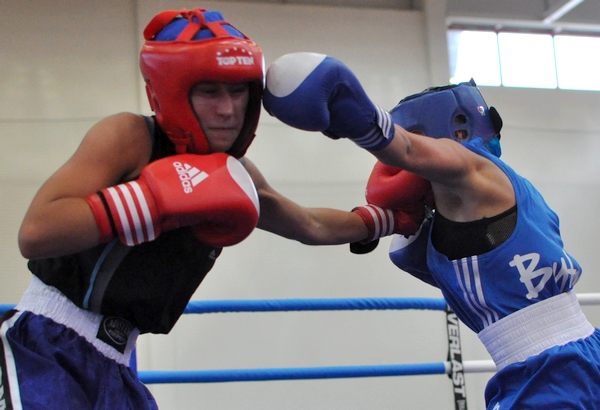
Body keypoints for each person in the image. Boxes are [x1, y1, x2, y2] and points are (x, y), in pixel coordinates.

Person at [0, 10, 423, 410]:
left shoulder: (235, 174)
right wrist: (151, 201)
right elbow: (36, 233)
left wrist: (389, 219)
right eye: (209, 91)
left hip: (117, 364)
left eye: (238, 92)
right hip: (46, 344)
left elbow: (309, 224)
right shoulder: (130, 137)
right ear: (170, 90)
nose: (228, 110)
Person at [262, 52, 600, 409]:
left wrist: (347, 106)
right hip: (563, 362)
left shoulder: (476, 170)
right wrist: (250, 196)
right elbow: (312, 226)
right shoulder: (440, 217)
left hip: (550, 373)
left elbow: (406, 150)